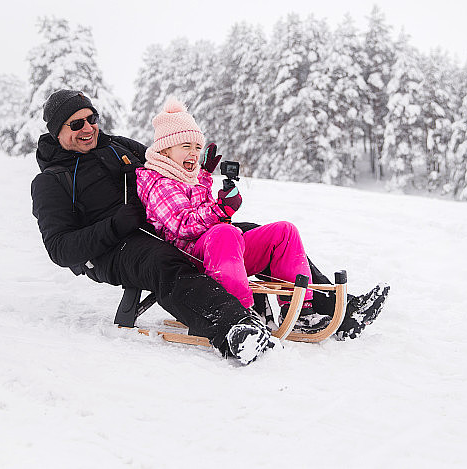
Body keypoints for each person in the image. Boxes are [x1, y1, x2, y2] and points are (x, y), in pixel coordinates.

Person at [30, 89, 388, 365]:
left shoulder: (120, 147)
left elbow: (167, 169)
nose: (88, 128)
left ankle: (334, 310)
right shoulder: (52, 181)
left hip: (167, 224)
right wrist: (114, 226)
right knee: (162, 263)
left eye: (92, 118)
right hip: (114, 250)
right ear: (57, 130)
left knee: (248, 233)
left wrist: (199, 172)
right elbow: (60, 248)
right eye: (76, 124)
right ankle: (235, 326)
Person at [135, 99, 332, 333]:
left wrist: (206, 174)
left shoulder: (188, 176)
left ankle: (298, 310)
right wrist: (221, 209)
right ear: (165, 149)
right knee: (225, 232)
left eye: (197, 147)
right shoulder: (159, 183)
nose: (194, 154)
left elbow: (197, 199)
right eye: (185, 146)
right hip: (192, 262)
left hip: (222, 252)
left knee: (284, 232)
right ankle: (241, 314)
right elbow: (183, 224)